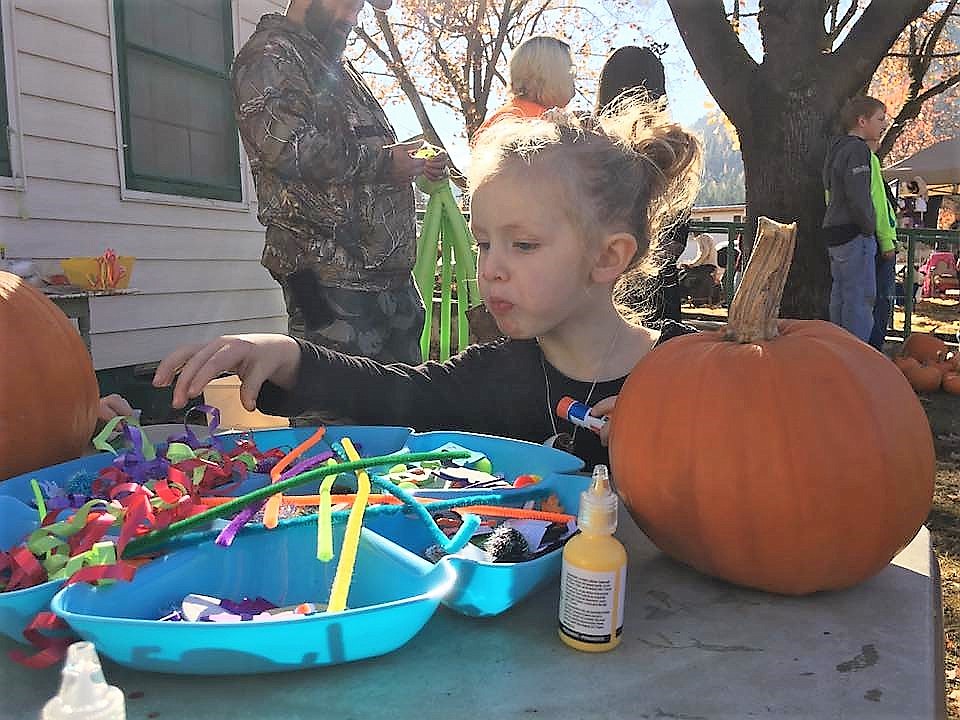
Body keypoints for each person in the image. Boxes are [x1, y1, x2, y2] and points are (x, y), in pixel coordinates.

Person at [153, 99, 702, 469]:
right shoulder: (497, 375)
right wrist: (289, 356)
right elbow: (397, 392)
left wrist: (664, 437)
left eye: (524, 245)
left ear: (608, 257)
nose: (491, 268)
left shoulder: (693, 371)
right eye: (484, 242)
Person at [231, 0, 448, 365]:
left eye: (359, 9)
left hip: (386, 284)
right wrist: (383, 162)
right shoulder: (269, 55)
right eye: (347, 4)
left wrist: (413, 161)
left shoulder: (332, 66)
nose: (352, 17)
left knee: (400, 411)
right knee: (330, 407)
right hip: (323, 282)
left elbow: (358, 150)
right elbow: (287, 147)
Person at [594, 45, 688, 322]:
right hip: (659, 288)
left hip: (600, 290)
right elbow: (676, 236)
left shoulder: (590, 149)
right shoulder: (673, 152)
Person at [822, 95, 888, 342]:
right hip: (854, 233)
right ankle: (856, 358)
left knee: (841, 297)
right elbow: (858, 195)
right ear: (862, 121)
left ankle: (838, 351)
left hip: (835, 233)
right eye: (880, 119)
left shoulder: (835, 150)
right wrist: (869, 227)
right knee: (860, 299)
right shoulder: (857, 151)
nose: (883, 125)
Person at [472, 36, 576, 141]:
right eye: (569, 69)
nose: (572, 76)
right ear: (546, 74)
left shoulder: (505, 118)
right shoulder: (520, 126)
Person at [867, 137, 899, 351]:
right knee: (880, 299)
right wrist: (886, 240)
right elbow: (878, 203)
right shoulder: (868, 161)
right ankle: (873, 349)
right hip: (879, 242)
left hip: (876, 239)